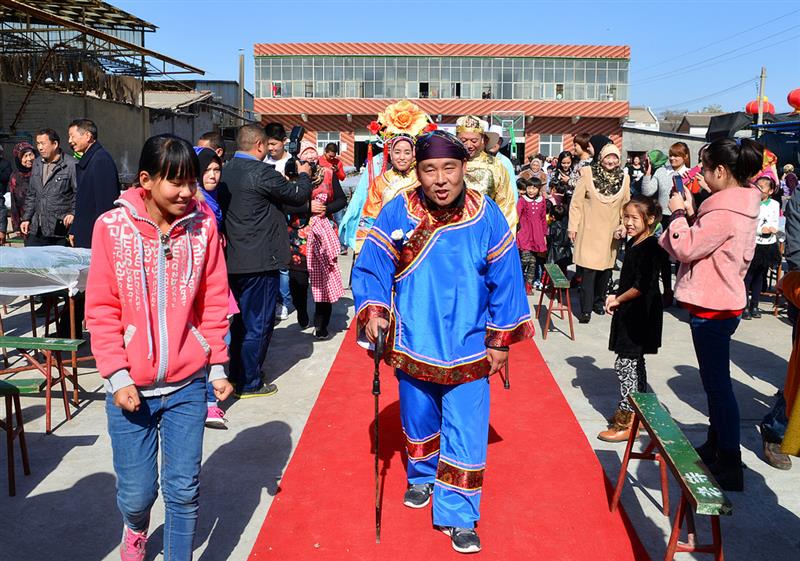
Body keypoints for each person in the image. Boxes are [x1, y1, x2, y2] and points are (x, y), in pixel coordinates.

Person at [352, 130, 533, 554]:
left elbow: (505, 280)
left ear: (463, 169)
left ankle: (461, 512)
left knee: (467, 430)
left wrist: (501, 339)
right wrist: (375, 311)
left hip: (470, 344)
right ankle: (420, 475)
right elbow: (373, 266)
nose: (440, 179)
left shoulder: (485, 214)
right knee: (418, 419)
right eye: (429, 169)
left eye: (449, 168)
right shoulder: (398, 210)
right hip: (414, 338)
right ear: (417, 172)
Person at [85, 134, 234, 561]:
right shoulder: (111, 228)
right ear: (147, 181)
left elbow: (214, 299)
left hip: (188, 385)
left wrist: (218, 364)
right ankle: (134, 529)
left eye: (193, 182)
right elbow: (101, 307)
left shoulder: (204, 227)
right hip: (130, 388)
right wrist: (115, 374)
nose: (189, 192)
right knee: (137, 493)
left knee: (183, 489)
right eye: (177, 183)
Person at [660, 137, 763, 491]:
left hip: (712, 305)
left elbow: (686, 247)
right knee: (715, 384)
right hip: (724, 299)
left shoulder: (723, 212)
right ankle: (716, 446)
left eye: (705, 168)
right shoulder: (741, 206)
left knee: (718, 387)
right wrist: (691, 214)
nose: (701, 175)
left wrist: (676, 214)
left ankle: (730, 462)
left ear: (721, 171)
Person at [218, 124, 312, 397]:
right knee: (258, 323)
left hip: (235, 259)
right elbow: (296, 195)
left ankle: (236, 373)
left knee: (240, 323)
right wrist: (304, 176)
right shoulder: (260, 172)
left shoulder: (226, 171)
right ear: (259, 146)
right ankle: (250, 381)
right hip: (260, 260)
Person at [599, 196, 663, 442]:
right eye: (625, 217)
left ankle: (626, 421)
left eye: (634, 218)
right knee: (635, 365)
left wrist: (617, 299)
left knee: (626, 367)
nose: (628, 222)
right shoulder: (635, 242)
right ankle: (641, 416)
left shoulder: (648, 247)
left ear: (649, 220)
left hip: (639, 316)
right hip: (633, 312)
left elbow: (641, 285)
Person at [342, 101, 432, 252]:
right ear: (389, 153)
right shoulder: (380, 182)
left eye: (407, 152)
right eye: (397, 152)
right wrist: (364, 249)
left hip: (420, 243)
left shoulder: (423, 179)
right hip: (385, 243)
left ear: (414, 154)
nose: (402, 157)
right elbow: (370, 217)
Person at [284, 142, 347, 338]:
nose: (310, 156)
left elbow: (341, 200)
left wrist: (326, 209)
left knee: (323, 280)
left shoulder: (328, 173)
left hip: (323, 236)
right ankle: (301, 311)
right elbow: (284, 206)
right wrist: (307, 208)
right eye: (306, 153)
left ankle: (321, 324)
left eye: (313, 153)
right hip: (299, 237)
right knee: (298, 281)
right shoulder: (291, 177)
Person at [568, 141, 630, 323]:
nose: (611, 161)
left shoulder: (624, 179)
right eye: (608, 157)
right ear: (601, 158)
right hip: (588, 230)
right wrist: (572, 226)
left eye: (614, 158)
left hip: (610, 232)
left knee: (605, 271)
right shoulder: (587, 173)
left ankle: (598, 301)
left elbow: (626, 205)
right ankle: (585, 310)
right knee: (588, 271)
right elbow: (576, 203)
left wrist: (624, 225)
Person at [193, 146, 233, 429]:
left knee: (221, 334)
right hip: (198, 280)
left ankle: (209, 398)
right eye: (207, 170)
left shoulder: (214, 200)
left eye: (217, 170)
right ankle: (207, 402)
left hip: (216, 277)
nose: (213, 175)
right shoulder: (194, 201)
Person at [642, 142, 690, 305]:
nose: (672, 158)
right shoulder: (662, 171)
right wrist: (648, 172)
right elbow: (648, 191)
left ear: (685, 157)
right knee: (662, 257)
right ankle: (668, 292)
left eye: (676, 155)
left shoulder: (689, 174)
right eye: (671, 154)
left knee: (681, 257)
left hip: (682, 218)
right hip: (663, 218)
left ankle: (680, 292)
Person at [456, 115, 516, 230]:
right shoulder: (449, 162)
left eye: (474, 141)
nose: (469, 145)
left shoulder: (496, 166)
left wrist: (505, 238)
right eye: (463, 141)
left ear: (484, 140)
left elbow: (506, 205)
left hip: (486, 229)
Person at [20, 128, 77, 247]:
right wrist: (26, 218)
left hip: (59, 229)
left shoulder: (70, 165)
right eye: (38, 143)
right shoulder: (37, 164)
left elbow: (79, 194)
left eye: (43, 143)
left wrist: (73, 213)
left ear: (55, 144)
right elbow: (32, 194)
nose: (40, 148)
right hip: (37, 228)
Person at [263, 122, 294, 320]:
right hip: (266, 219)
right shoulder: (262, 162)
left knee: (284, 264)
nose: (271, 148)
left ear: (284, 142)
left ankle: (285, 301)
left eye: (274, 144)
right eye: (268, 144)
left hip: (288, 218)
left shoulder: (293, 163)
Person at [742, 176, 780, 320]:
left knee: (760, 276)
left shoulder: (775, 204)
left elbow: (775, 220)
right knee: (748, 275)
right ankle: (744, 305)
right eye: (757, 185)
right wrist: (760, 230)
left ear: (770, 191)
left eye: (763, 186)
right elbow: (748, 222)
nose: (759, 188)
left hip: (768, 244)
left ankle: (755, 304)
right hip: (753, 242)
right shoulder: (751, 203)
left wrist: (773, 228)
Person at [517, 177, 548, 292]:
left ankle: (528, 286)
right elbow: (517, 215)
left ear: (539, 189)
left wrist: (544, 235)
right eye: (529, 188)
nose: (531, 191)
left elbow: (543, 219)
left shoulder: (542, 200)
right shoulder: (522, 200)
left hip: (537, 234)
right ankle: (518, 282)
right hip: (525, 233)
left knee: (533, 262)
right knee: (524, 259)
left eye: (534, 188)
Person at [8, 141, 35, 233]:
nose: (29, 159)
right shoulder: (15, 177)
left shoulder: (40, 172)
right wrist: (16, 225)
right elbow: (14, 202)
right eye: (25, 156)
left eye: (31, 155)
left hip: (43, 221)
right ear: (18, 159)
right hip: (25, 224)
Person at [487, 124, 518, 201]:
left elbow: (512, 187)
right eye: (492, 140)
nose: (495, 144)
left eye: (498, 141)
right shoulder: (479, 158)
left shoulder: (505, 162)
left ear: (501, 143)